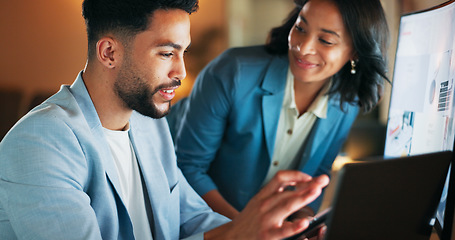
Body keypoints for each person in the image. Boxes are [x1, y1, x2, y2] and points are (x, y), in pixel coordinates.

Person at [0, 0, 330, 239]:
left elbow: (191, 217)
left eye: (182, 53)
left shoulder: (150, 123)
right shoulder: (37, 143)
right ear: (109, 53)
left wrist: (273, 234)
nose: (181, 72)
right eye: (166, 53)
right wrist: (235, 236)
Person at [168, 0, 390, 220]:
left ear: (356, 53)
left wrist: (303, 222)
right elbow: (189, 168)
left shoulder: (347, 101)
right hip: (200, 221)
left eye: (325, 40)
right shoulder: (233, 71)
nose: (303, 47)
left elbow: (317, 174)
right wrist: (243, 231)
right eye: (300, 28)